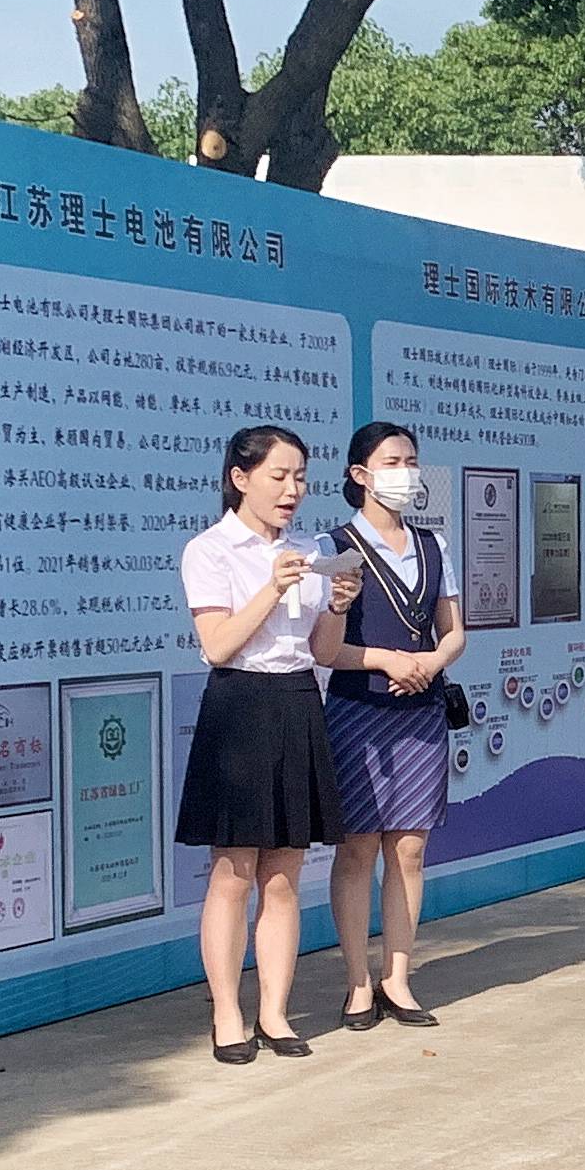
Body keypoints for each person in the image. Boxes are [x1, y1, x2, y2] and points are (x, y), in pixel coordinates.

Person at [175, 424, 358, 1065]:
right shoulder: (210, 550)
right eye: (278, 476)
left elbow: (324, 652)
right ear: (240, 478)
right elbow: (218, 645)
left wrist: (337, 604)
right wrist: (273, 587)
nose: (292, 490)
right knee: (234, 871)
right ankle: (227, 1013)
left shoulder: (313, 550)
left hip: (298, 701)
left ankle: (275, 1012)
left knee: (284, 873)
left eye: (300, 477)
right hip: (239, 703)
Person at [314, 422, 463, 1031]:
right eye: (393, 462)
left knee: (410, 848)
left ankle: (397, 978)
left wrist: (429, 662)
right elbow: (324, 649)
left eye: (411, 461)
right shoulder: (333, 546)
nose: (407, 472)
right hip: (357, 711)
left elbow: (453, 632)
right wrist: (385, 660)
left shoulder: (434, 545)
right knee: (356, 849)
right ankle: (357, 981)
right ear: (360, 474)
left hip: (420, 712)